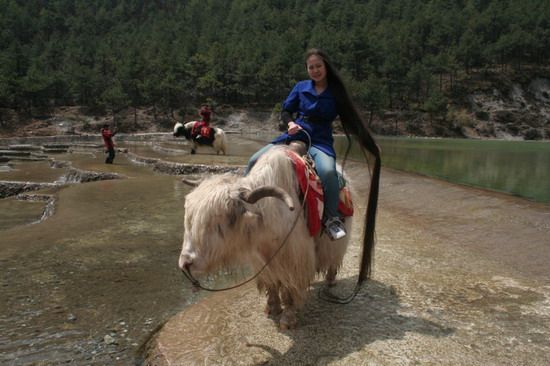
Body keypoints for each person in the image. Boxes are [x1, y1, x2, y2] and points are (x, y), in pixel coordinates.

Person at [246, 48, 381, 243]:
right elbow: (286, 112)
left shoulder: (336, 93)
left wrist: (371, 145)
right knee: (254, 160)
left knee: (327, 172)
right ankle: (242, 205)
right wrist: (291, 123)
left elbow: (353, 121)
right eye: (311, 67)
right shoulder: (301, 87)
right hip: (295, 135)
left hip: (320, 141)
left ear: (326, 66)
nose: (315, 70)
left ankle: (331, 219)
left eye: (318, 66)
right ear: (307, 69)